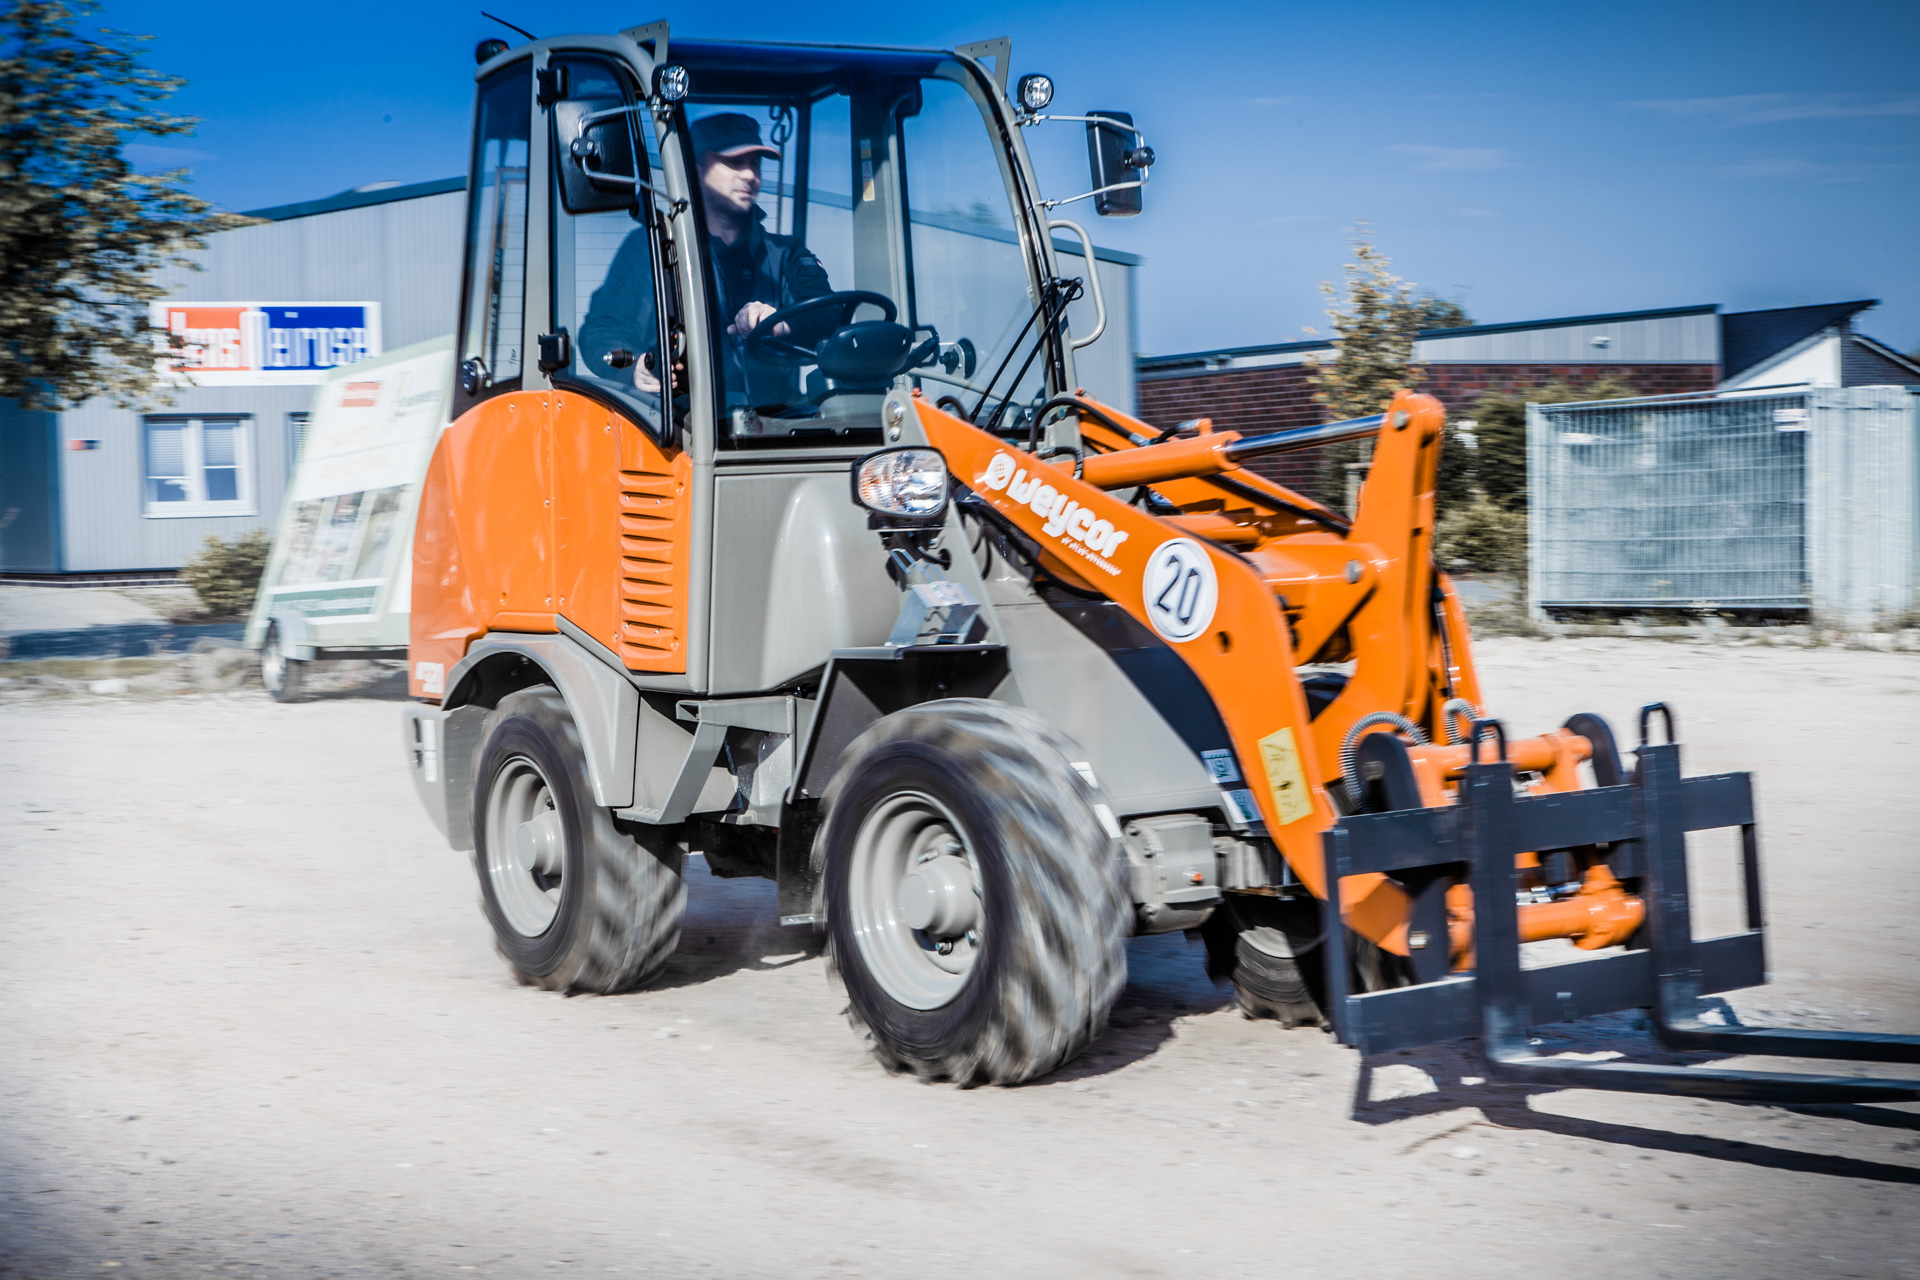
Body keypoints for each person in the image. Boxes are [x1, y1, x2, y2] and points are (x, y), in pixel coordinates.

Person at [578, 112, 834, 411]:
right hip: (681, 426)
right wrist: (634, 366)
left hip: (775, 426)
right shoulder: (650, 250)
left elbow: (828, 317)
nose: (750, 175)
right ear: (697, 169)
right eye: (734, 162)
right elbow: (601, 329)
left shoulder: (786, 254)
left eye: (755, 164)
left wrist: (781, 324)